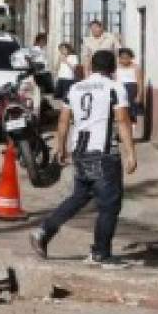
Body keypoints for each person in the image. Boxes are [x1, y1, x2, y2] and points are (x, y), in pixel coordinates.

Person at [30, 50, 137, 267]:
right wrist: (131, 153)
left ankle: (43, 231)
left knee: (79, 196)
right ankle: (100, 253)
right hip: (103, 153)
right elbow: (123, 121)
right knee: (109, 204)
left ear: (91, 67)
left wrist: (59, 148)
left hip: (80, 151)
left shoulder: (75, 88)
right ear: (113, 69)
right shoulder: (115, 88)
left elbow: (63, 121)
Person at [116, 47, 144, 124]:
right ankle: (122, 132)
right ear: (119, 58)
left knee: (131, 113)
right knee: (121, 112)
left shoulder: (136, 67)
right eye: (122, 58)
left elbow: (140, 82)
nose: (124, 60)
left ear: (131, 57)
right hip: (120, 91)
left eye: (127, 58)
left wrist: (139, 95)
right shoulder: (116, 67)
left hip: (131, 91)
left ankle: (131, 131)